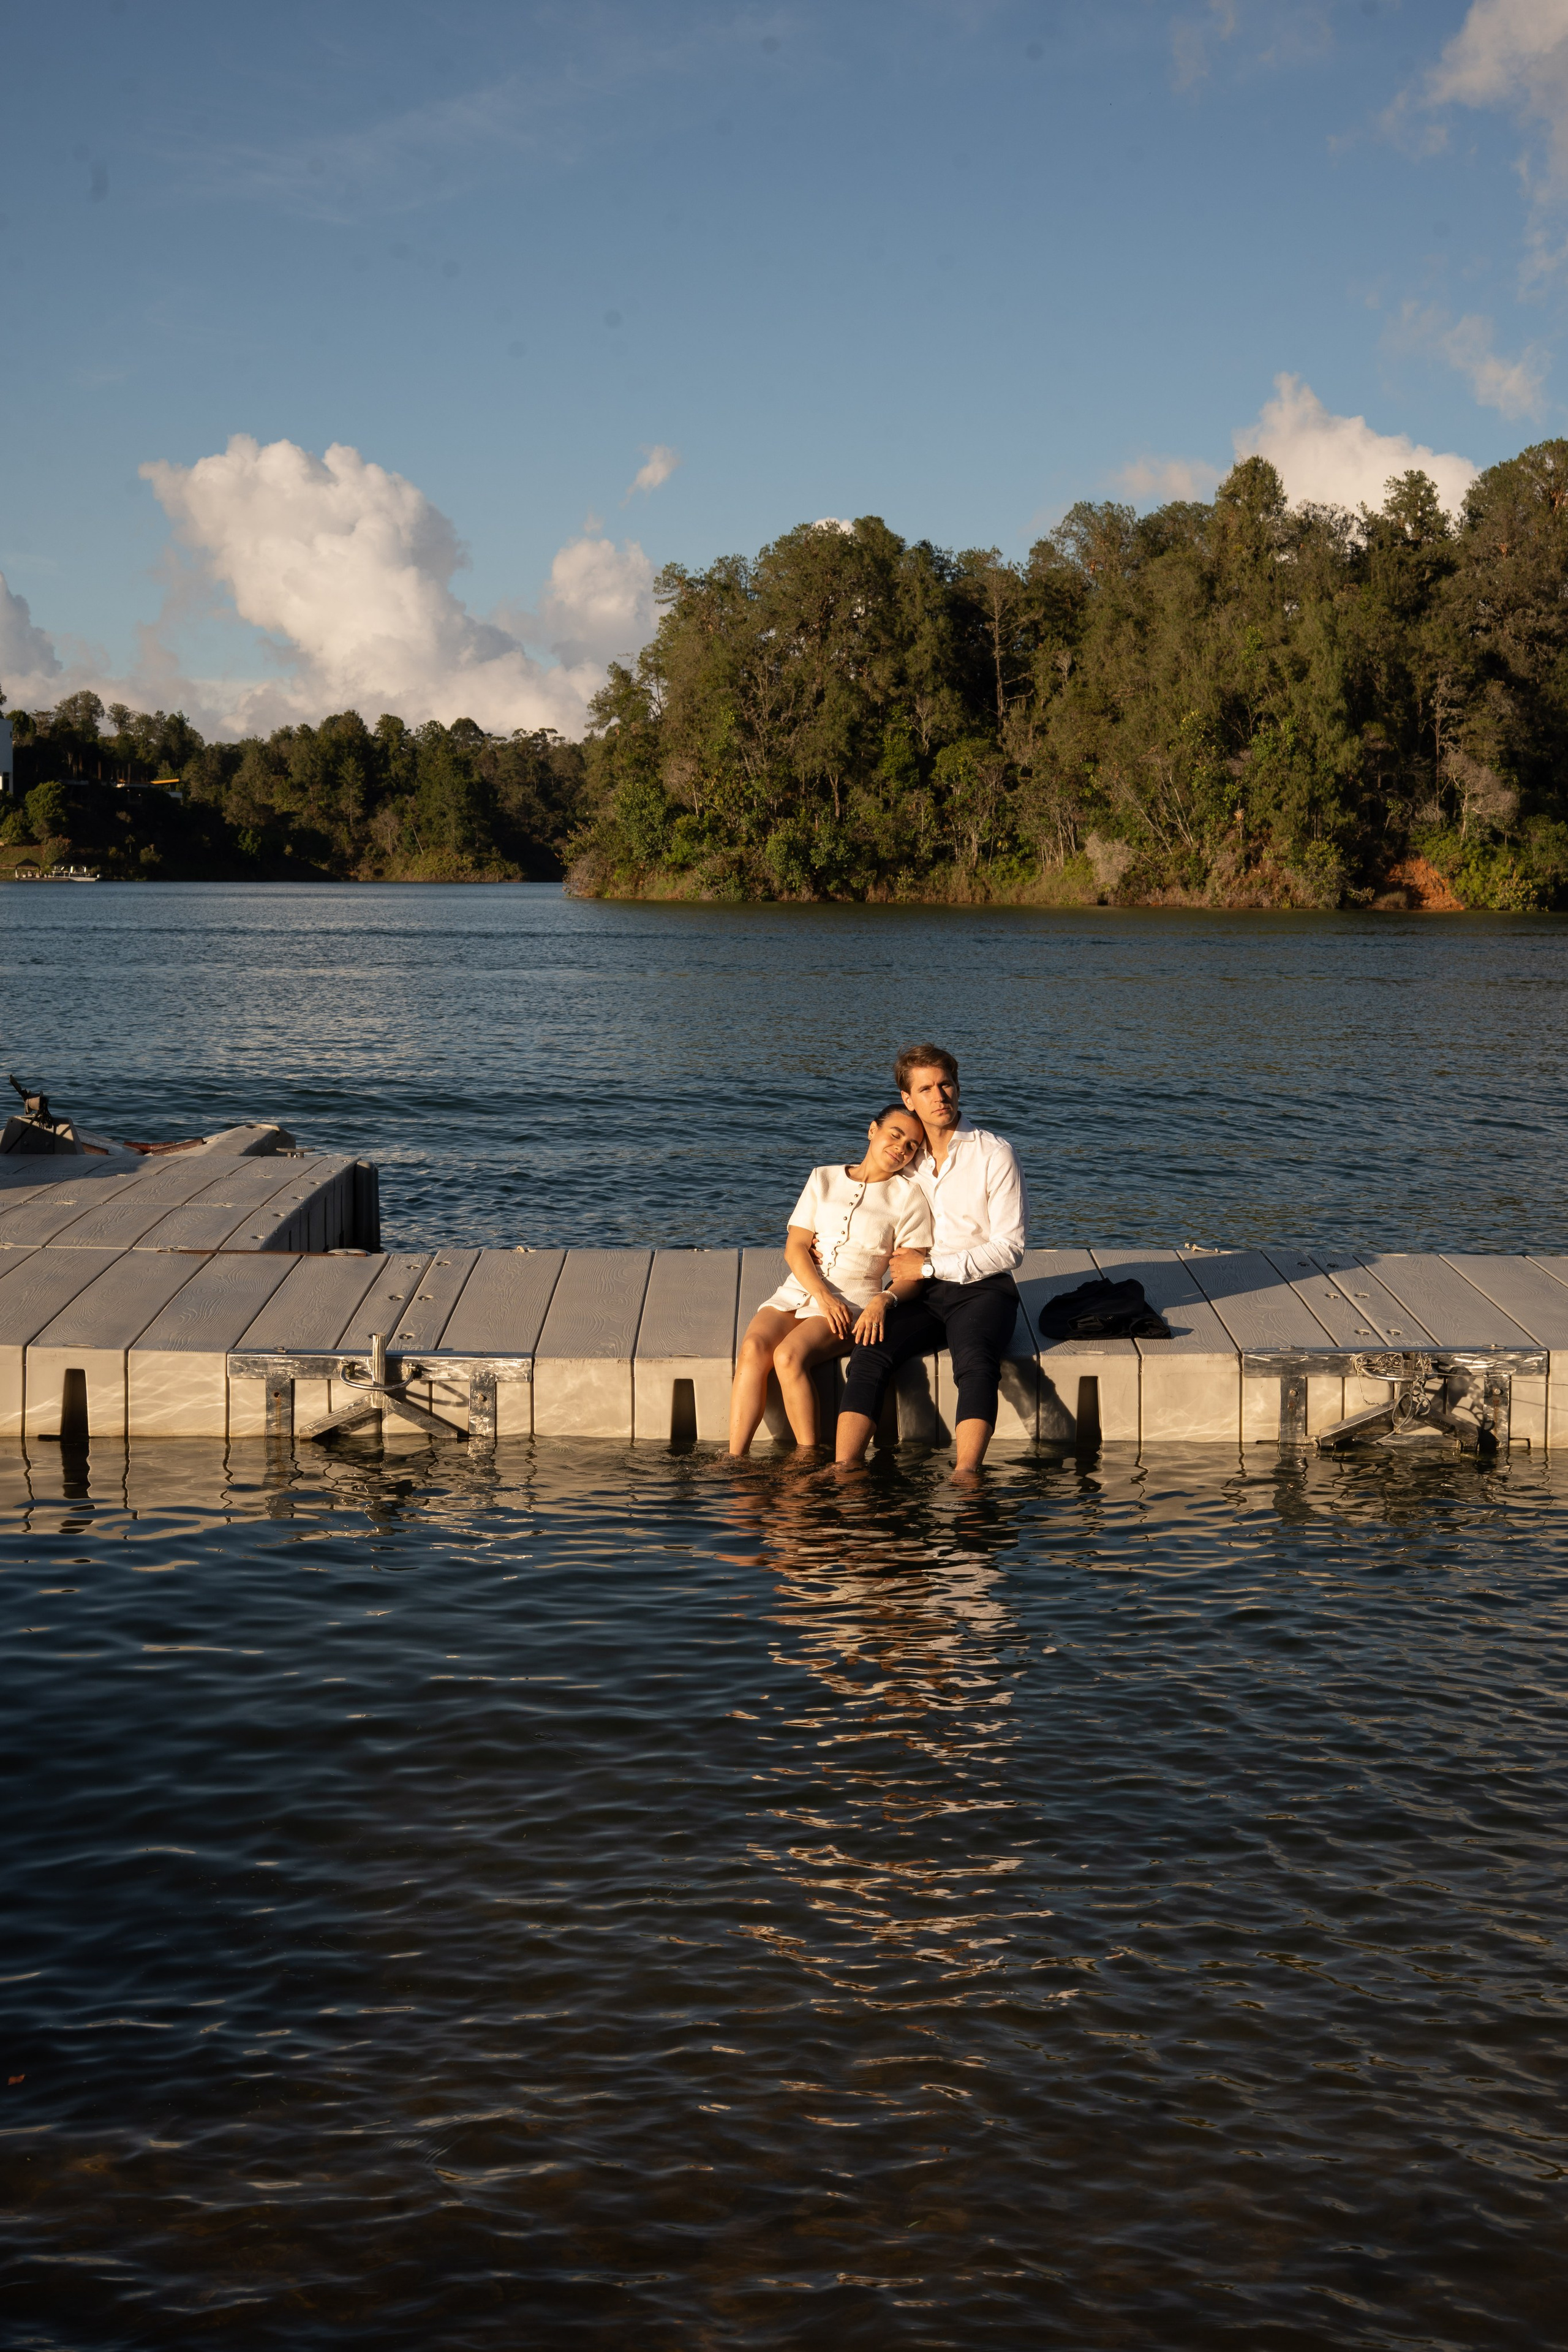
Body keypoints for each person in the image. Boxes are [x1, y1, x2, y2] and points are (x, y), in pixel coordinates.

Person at [835, 1044, 1028, 1478]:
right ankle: (845, 1469)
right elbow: (860, 1200)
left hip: (983, 1287)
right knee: (869, 1350)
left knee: (975, 1361)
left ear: (958, 1087)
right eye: (926, 1088)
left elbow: (1011, 1248)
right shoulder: (905, 1158)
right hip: (917, 1291)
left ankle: (966, 1475)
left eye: (946, 1084)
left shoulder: (994, 1154)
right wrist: (820, 1243)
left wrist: (928, 1268)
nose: (940, 1096)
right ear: (908, 1099)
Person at [728, 1104, 933, 1456]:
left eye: (912, 1145)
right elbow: (795, 1248)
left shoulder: (911, 1198)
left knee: (789, 1357)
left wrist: (884, 1301)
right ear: (873, 1131)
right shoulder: (823, 1177)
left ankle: (807, 1457)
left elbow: (910, 1276)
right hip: (801, 1289)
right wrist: (822, 1295)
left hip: (854, 1301)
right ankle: (735, 1458)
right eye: (895, 1135)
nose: (901, 1147)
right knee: (752, 1349)